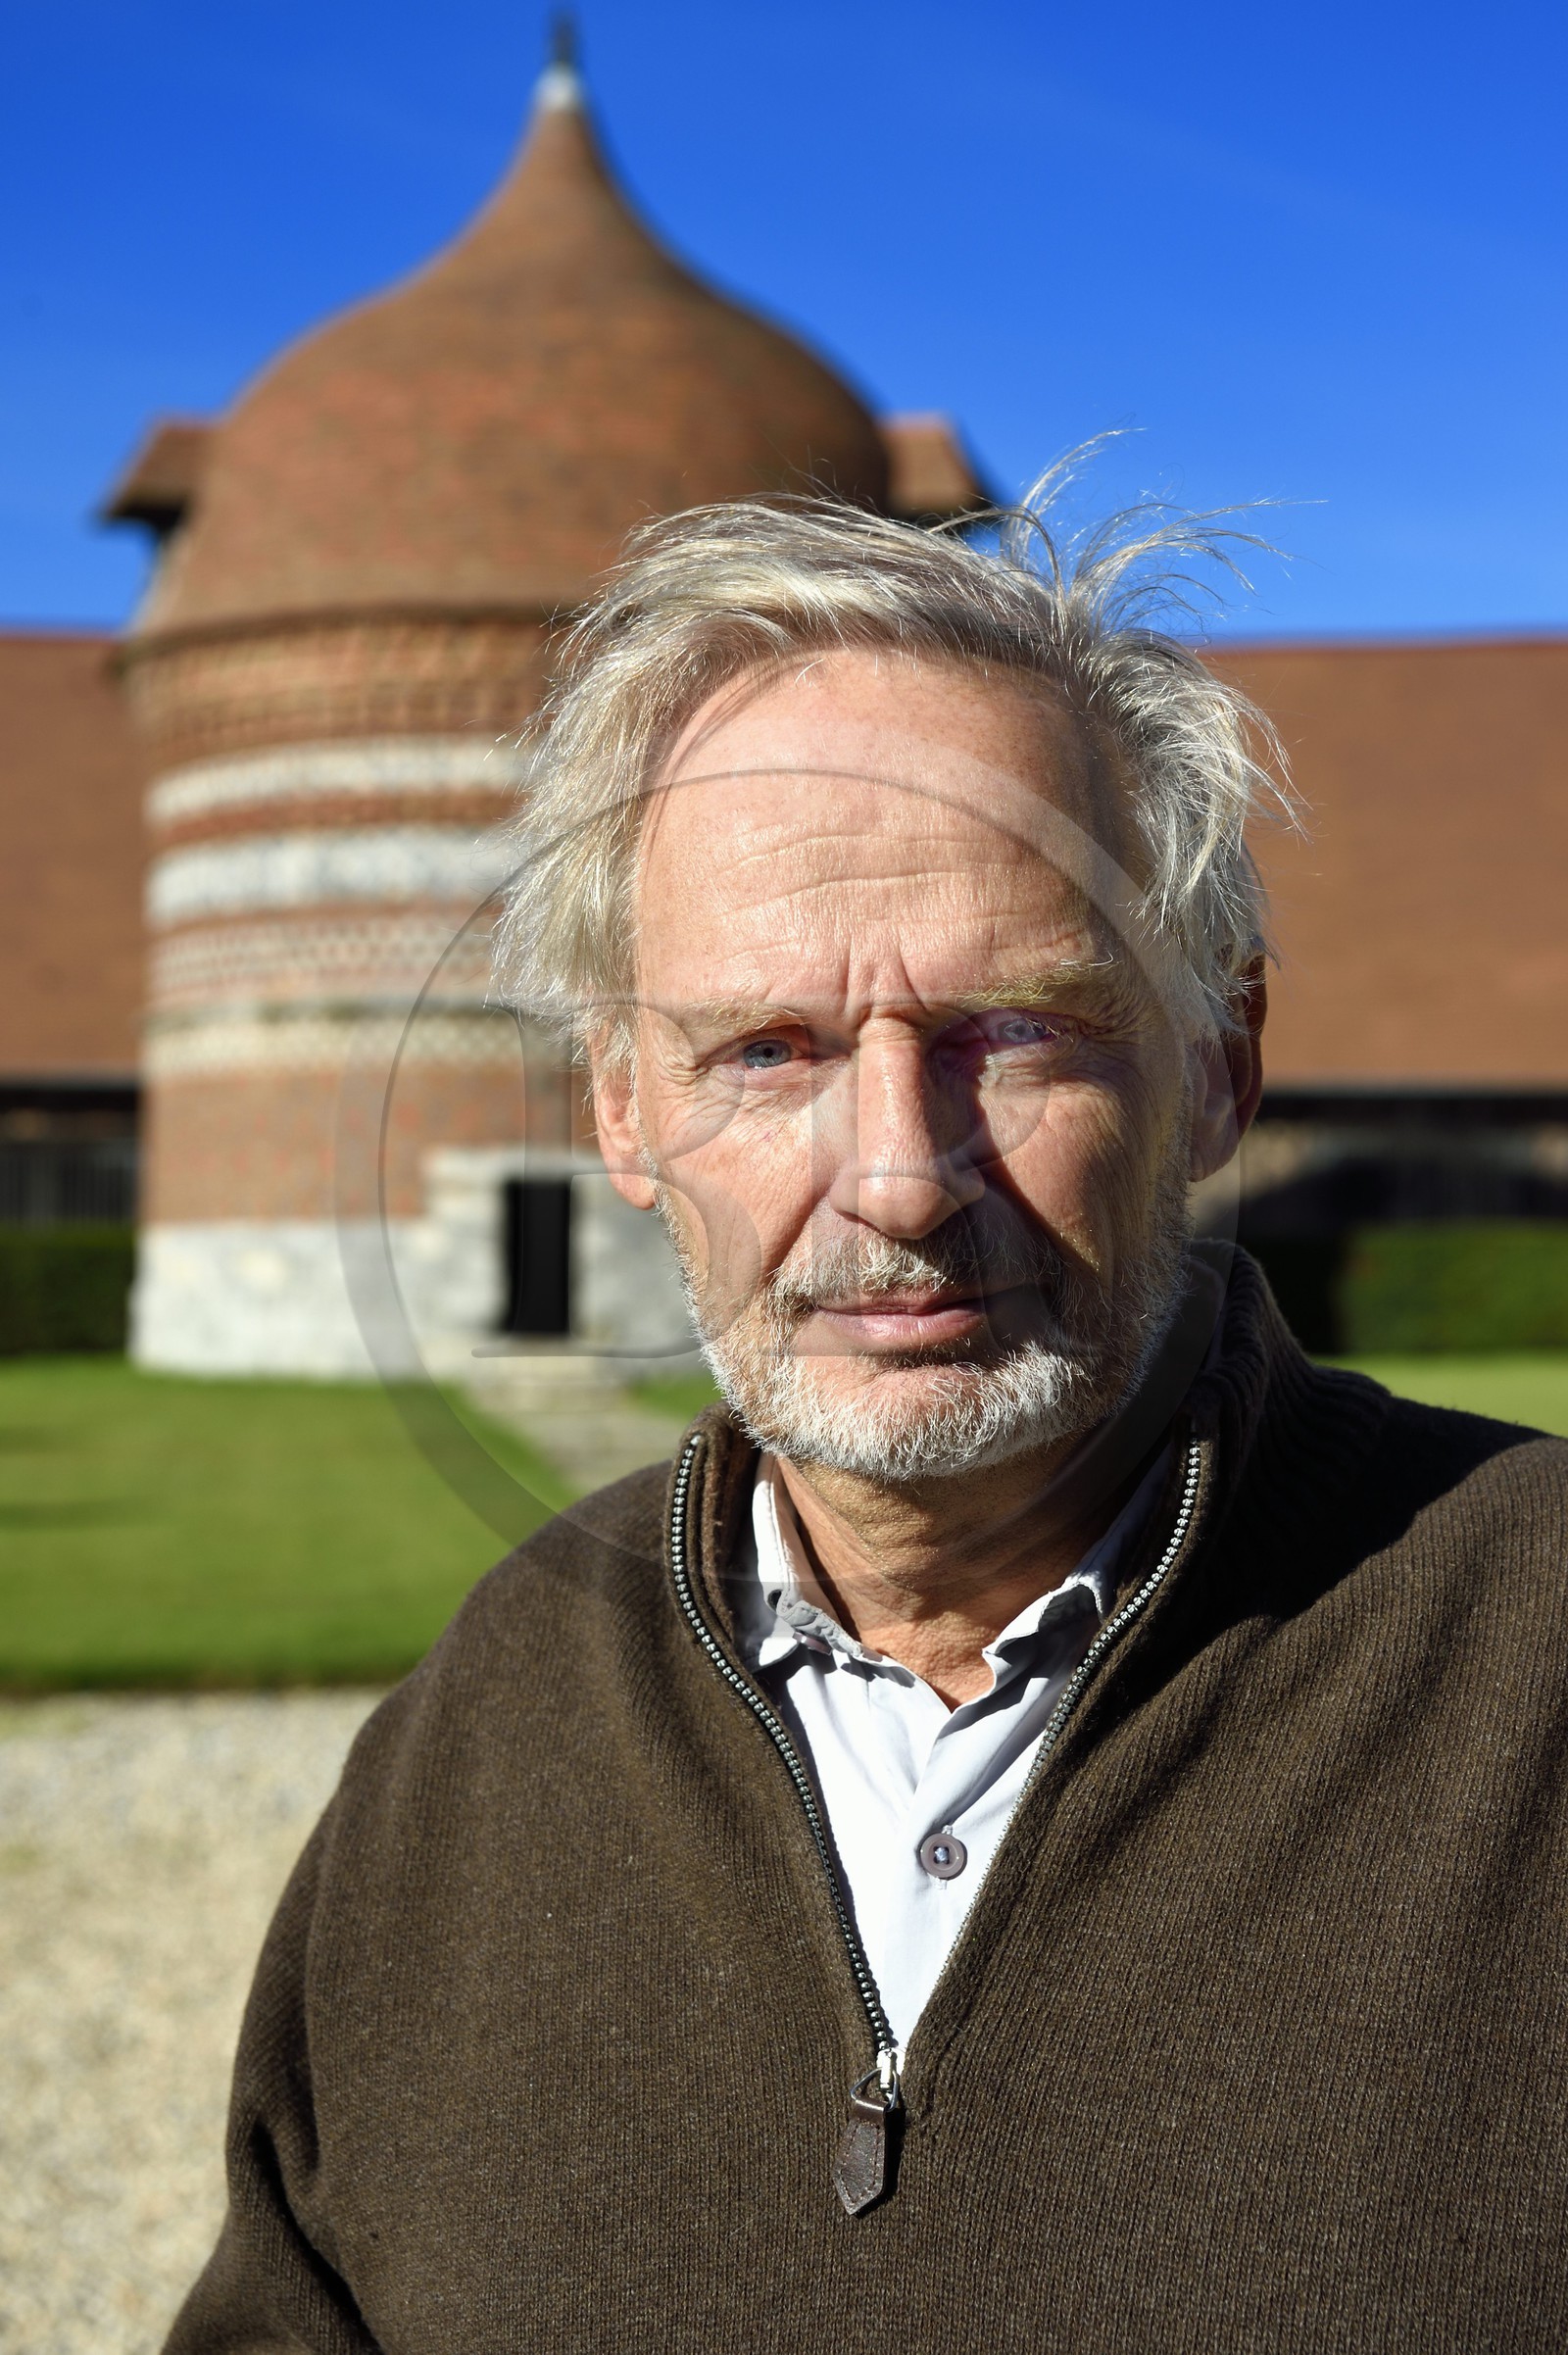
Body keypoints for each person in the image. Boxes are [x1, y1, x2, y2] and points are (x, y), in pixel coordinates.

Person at [167, 490, 1568, 2354]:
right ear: (622, 1110)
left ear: (1219, 1064)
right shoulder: (489, 1723)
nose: (901, 1179)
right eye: (768, 1051)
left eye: (1017, 1027)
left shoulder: (1532, 1661)